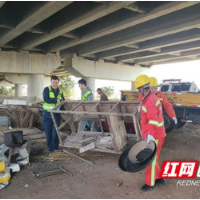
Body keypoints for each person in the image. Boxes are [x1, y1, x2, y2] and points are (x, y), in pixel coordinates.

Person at [135, 74, 166, 192]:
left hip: (154, 135)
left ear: (143, 88)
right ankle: (159, 178)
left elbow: (154, 120)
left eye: (139, 89)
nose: (139, 92)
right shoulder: (149, 98)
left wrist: (150, 135)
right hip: (155, 134)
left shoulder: (150, 101)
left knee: (150, 160)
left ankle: (150, 183)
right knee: (154, 158)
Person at [42, 76, 65, 152]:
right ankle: (50, 148)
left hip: (56, 114)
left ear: (58, 83)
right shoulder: (46, 89)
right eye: (53, 83)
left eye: (56, 83)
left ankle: (55, 147)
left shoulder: (61, 92)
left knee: (55, 131)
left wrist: (64, 111)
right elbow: (46, 99)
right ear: (51, 82)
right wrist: (56, 100)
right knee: (48, 131)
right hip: (47, 114)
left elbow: (62, 103)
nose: (55, 84)